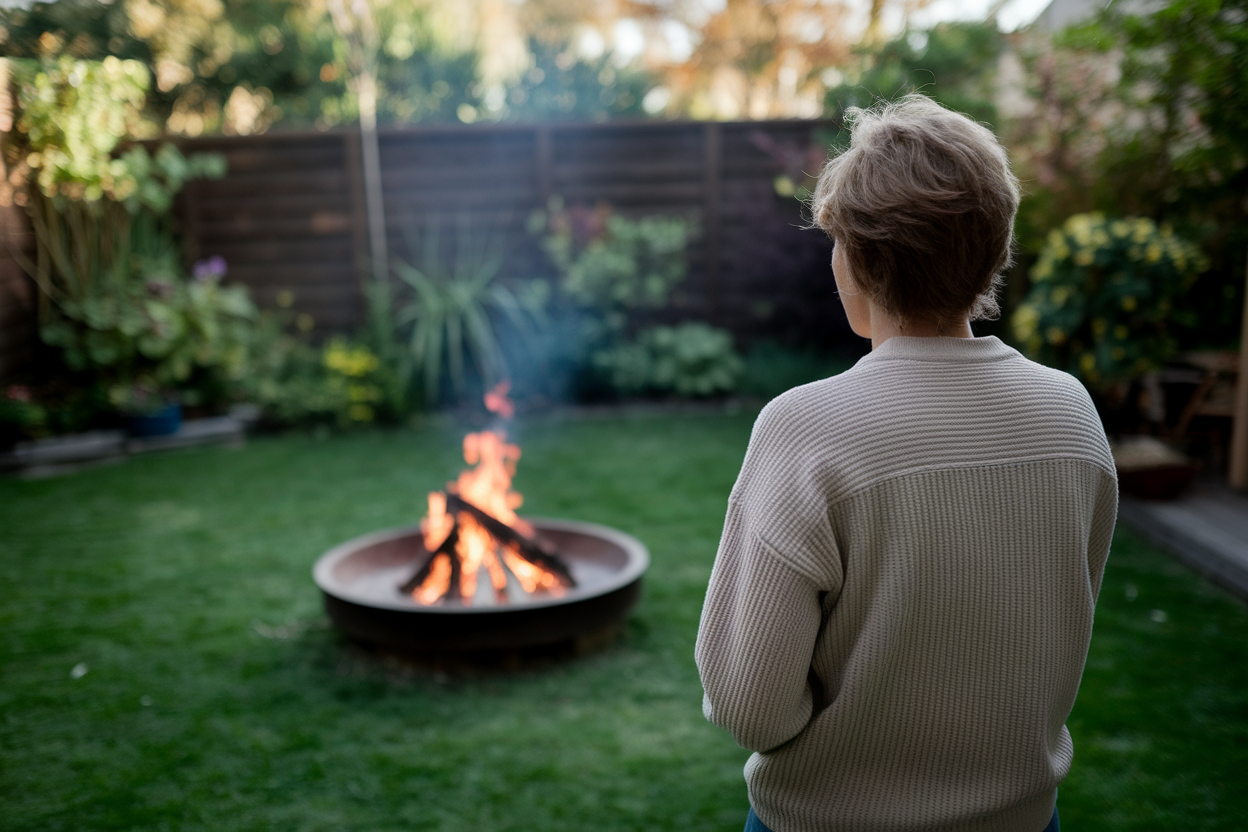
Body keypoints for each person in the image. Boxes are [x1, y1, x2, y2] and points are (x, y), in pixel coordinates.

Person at [695, 94, 1117, 832]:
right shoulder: (1070, 415)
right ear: (995, 248)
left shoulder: (805, 429)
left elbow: (750, 706)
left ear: (856, 257)